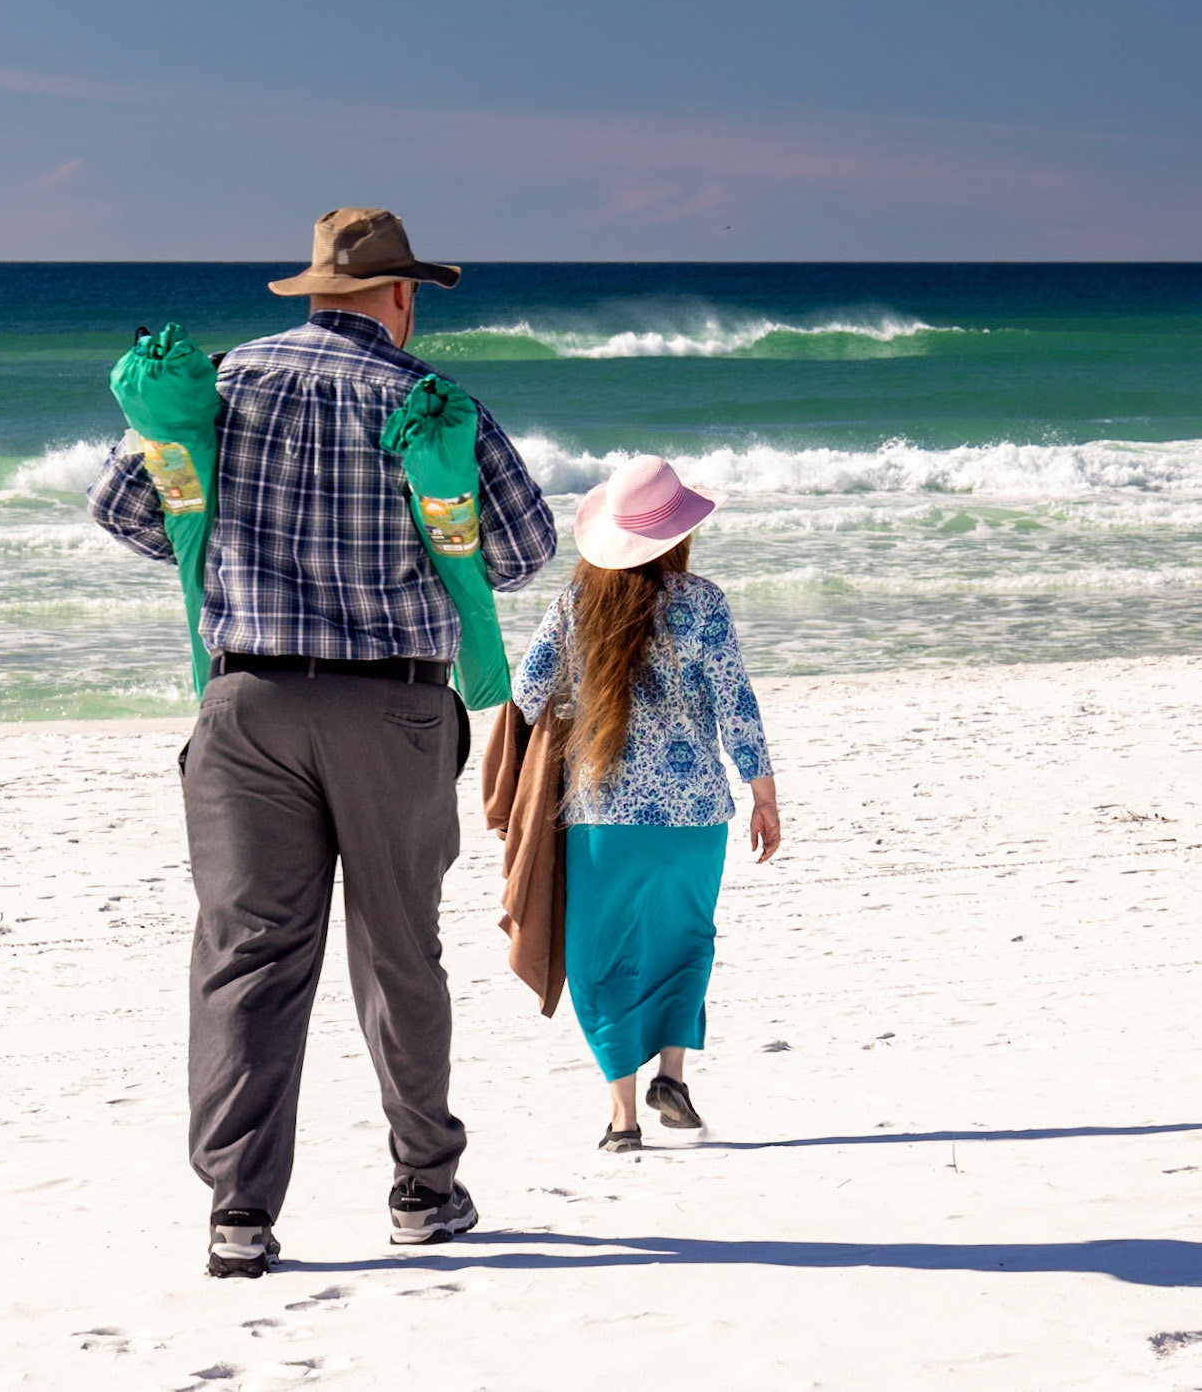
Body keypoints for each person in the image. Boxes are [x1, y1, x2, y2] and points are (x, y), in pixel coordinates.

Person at [88, 208, 556, 1273]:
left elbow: (122, 511)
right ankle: (421, 1190)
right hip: (391, 707)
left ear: (311, 291)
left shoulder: (219, 386)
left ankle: (240, 1215)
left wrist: (235, 556)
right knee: (399, 953)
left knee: (247, 959)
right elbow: (524, 552)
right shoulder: (429, 402)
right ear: (402, 294)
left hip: (246, 705)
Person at [513, 454, 779, 1151]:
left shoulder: (578, 601)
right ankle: (672, 1075)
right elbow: (736, 705)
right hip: (694, 816)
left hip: (602, 816)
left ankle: (623, 1119)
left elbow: (525, 688)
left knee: (602, 958)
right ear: (678, 534)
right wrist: (763, 793)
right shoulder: (703, 602)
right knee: (685, 938)